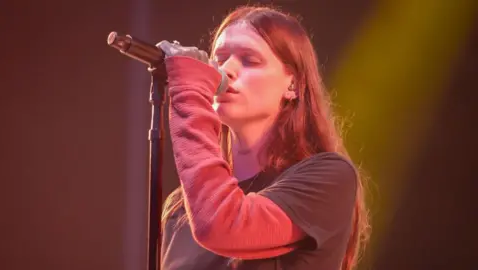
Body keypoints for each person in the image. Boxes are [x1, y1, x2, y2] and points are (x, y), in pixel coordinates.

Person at [158, 5, 370, 270]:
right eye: (219, 58)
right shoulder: (182, 208)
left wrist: (189, 93)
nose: (227, 70)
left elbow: (223, 225)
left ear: (292, 85)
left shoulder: (328, 178)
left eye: (250, 60)